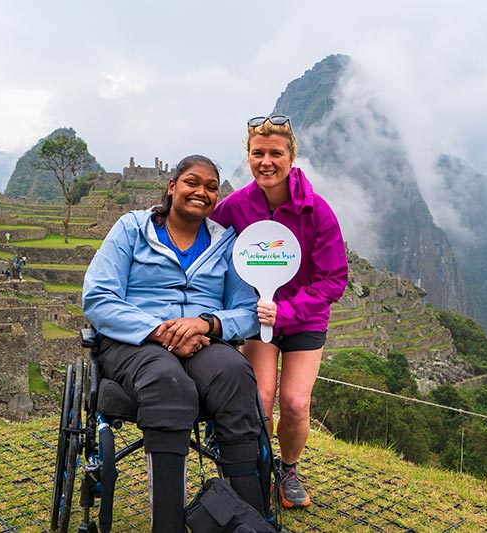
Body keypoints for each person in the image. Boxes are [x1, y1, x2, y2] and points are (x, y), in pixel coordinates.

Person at [83, 155, 268, 533]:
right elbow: (99, 298)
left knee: (235, 373)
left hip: (202, 341)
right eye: (191, 182)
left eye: (211, 187)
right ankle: (165, 525)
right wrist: (161, 331)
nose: (201, 192)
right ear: (172, 187)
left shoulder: (225, 243)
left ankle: (251, 521)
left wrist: (208, 322)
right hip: (135, 342)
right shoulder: (131, 230)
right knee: (169, 384)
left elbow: (248, 311)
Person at [211, 114, 348, 509]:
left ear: (291, 157)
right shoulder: (236, 206)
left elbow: (333, 279)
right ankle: (258, 466)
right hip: (256, 317)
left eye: (275, 153)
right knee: (260, 396)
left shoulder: (316, 211)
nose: (266, 161)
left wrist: (286, 310)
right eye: (258, 153)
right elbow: (206, 241)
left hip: (303, 319)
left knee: (294, 403)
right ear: (248, 157)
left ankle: (288, 468)